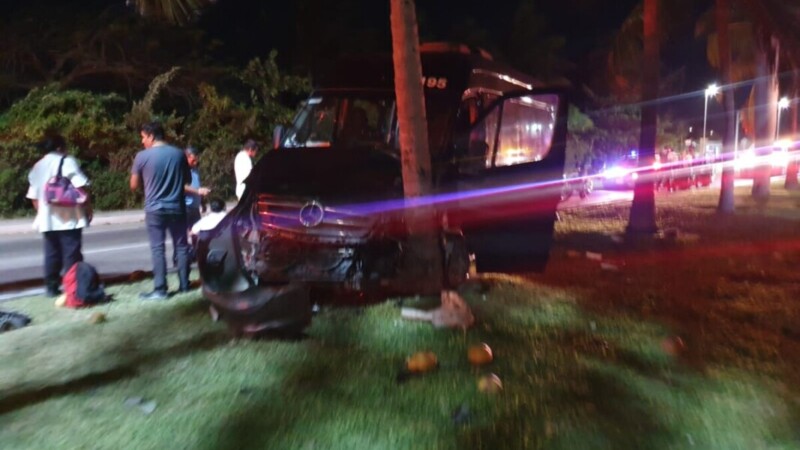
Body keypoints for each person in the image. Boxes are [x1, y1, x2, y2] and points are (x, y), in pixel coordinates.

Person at [130, 121, 192, 300]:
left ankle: (160, 289)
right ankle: (184, 285)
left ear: (150, 136)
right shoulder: (179, 154)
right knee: (181, 246)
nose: (142, 141)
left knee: (158, 248)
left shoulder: (142, 157)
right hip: (177, 207)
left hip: (155, 209)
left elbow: (133, 185)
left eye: (143, 137)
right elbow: (186, 179)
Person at [26, 133, 92, 297]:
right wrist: (88, 209)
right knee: (72, 254)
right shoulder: (67, 161)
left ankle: (51, 288)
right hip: (69, 217)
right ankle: (73, 288)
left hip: (47, 220)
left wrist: (43, 214)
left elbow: (34, 197)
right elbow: (81, 187)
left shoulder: (37, 166)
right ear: (60, 147)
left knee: (51, 254)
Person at [174, 146, 210, 266]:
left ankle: (195, 255)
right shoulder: (181, 169)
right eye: (193, 160)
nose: (195, 162)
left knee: (197, 233)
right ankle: (178, 259)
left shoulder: (195, 170)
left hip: (194, 206)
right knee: (183, 235)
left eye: (196, 160)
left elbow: (197, 184)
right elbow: (182, 186)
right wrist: (198, 191)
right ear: (186, 157)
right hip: (185, 206)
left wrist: (202, 201)